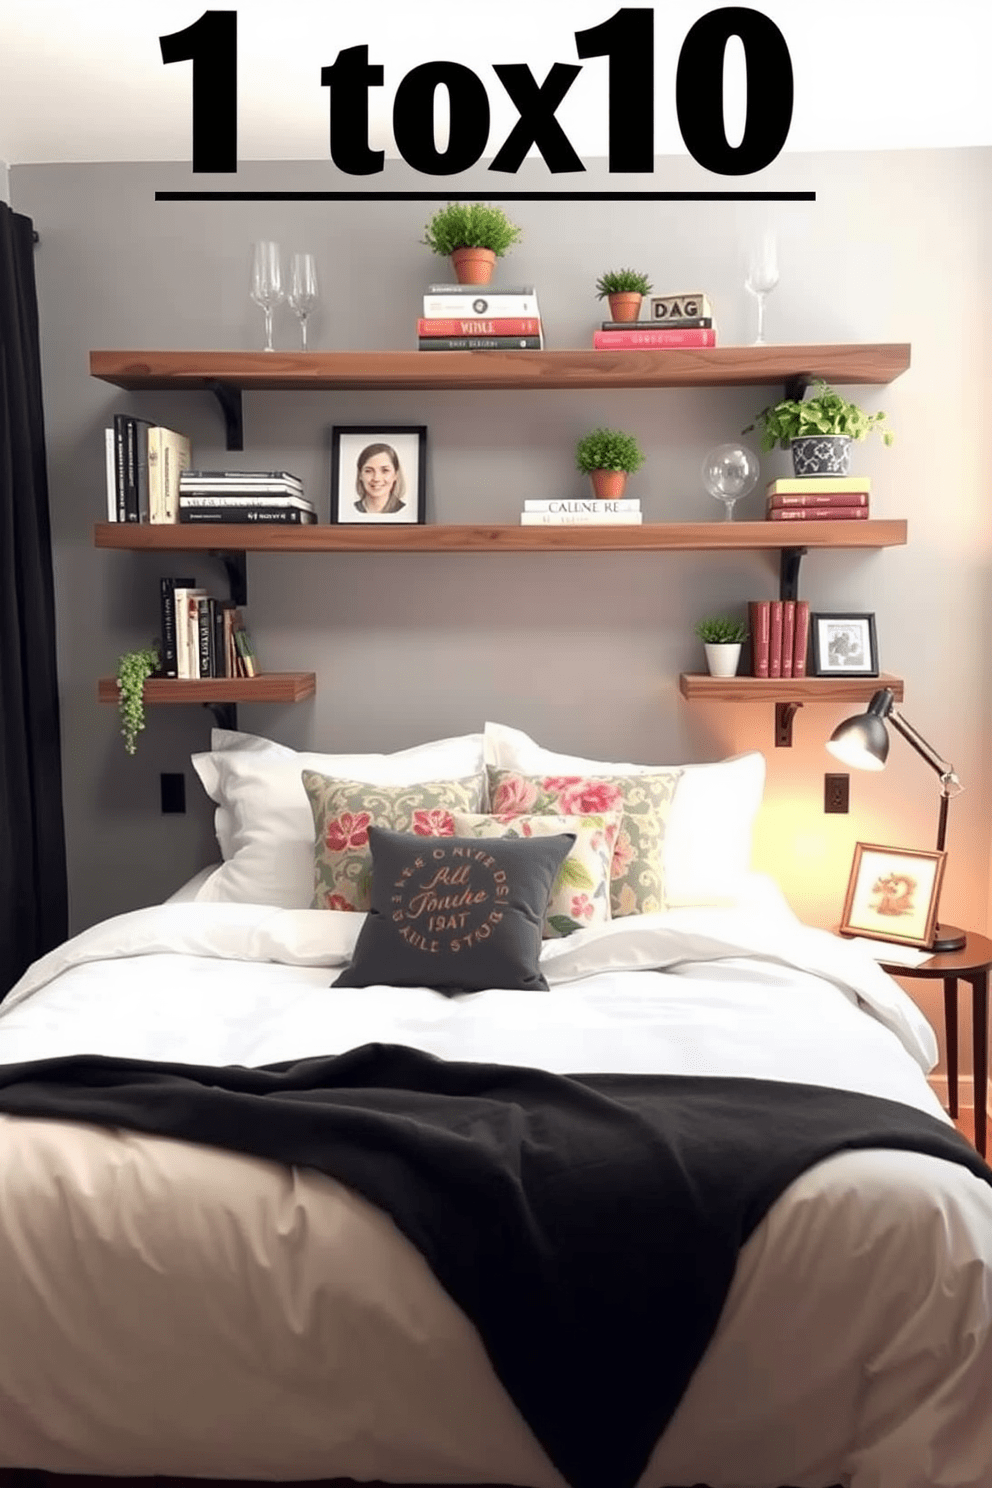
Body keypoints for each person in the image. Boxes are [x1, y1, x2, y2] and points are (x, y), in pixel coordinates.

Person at [354, 442, 406, 514]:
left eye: (385, 470)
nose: (376, 478)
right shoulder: (352, 510)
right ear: (360, 475)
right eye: (369, 471)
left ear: (396, 475)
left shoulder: (404, 511)